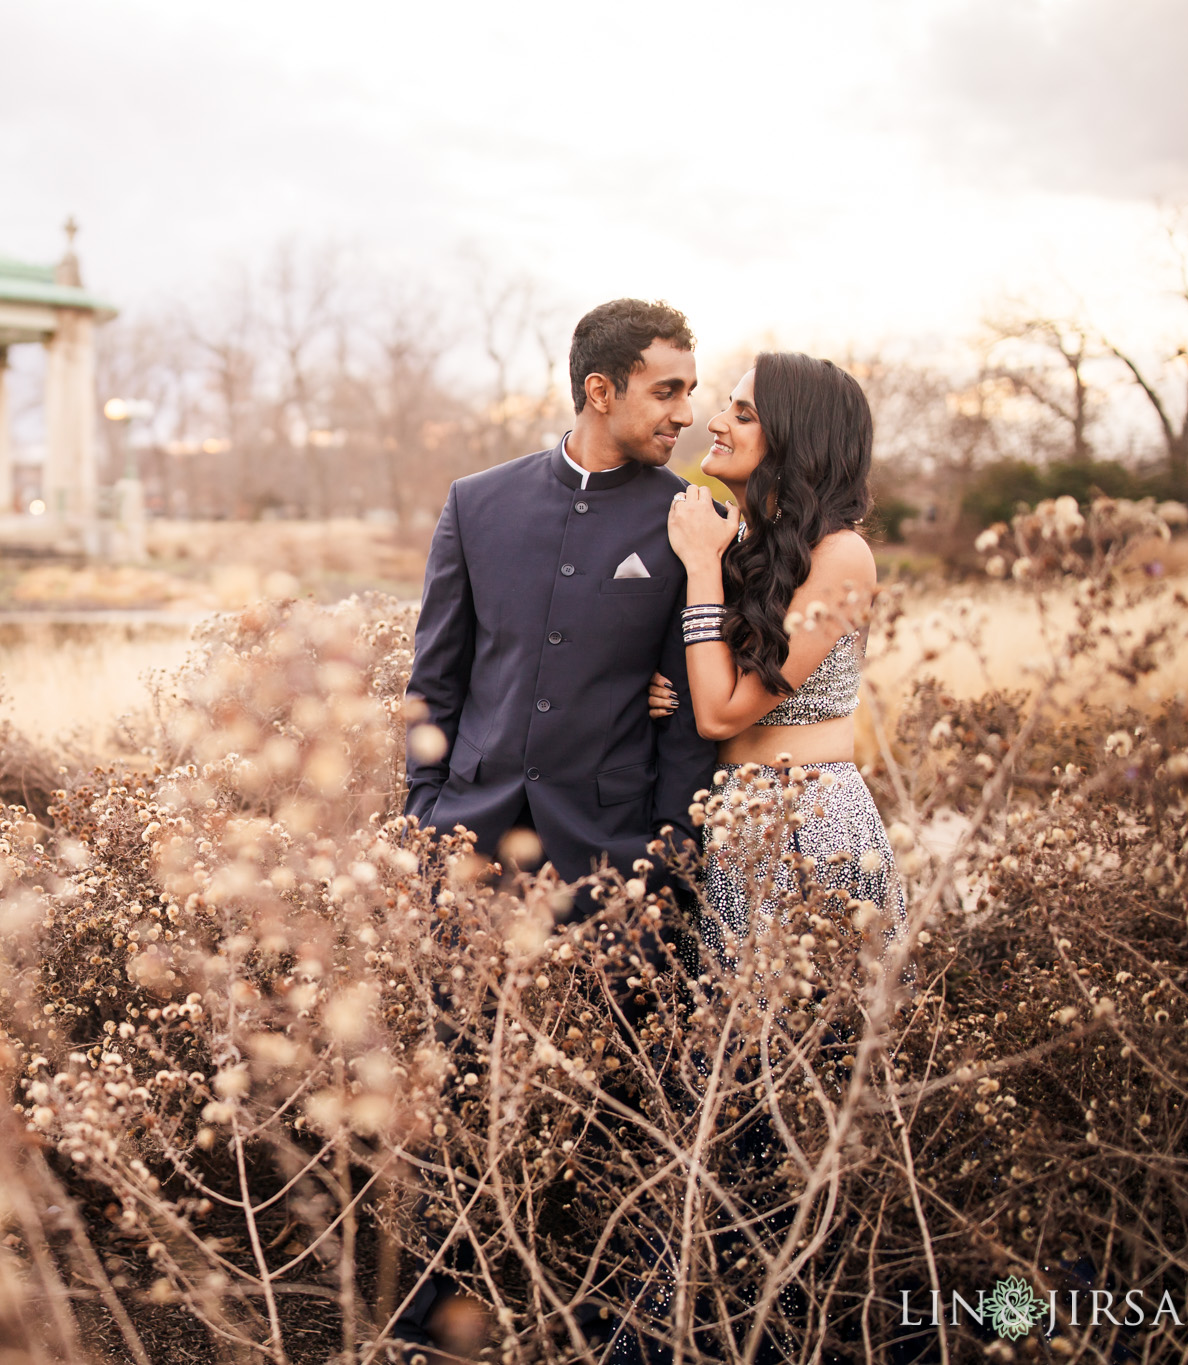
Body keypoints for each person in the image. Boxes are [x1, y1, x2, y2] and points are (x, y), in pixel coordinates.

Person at [392, 299, 719, 1358]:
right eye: (666, 388)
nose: (684, 408)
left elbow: (690, 710)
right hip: (471, 847)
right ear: (600, 390)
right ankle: (441, 1316)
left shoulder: (687, 520)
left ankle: (597, 1316)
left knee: (609, 1098)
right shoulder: (476, 505)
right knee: (457, 1077)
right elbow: (432, 680)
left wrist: (666, 851)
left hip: (615, 859)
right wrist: (423, 815)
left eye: (688, 387)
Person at [650, 351, 907, 968]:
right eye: (726, 407)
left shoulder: (841, 555)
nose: (714, 422)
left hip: (806, 827)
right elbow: (719, 684)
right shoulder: (742, 543)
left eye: (743, 414)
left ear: (797, 439)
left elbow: (723, 714)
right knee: (718, 1047)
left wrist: (703, 567)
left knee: (797, 1052)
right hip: (726, 820)